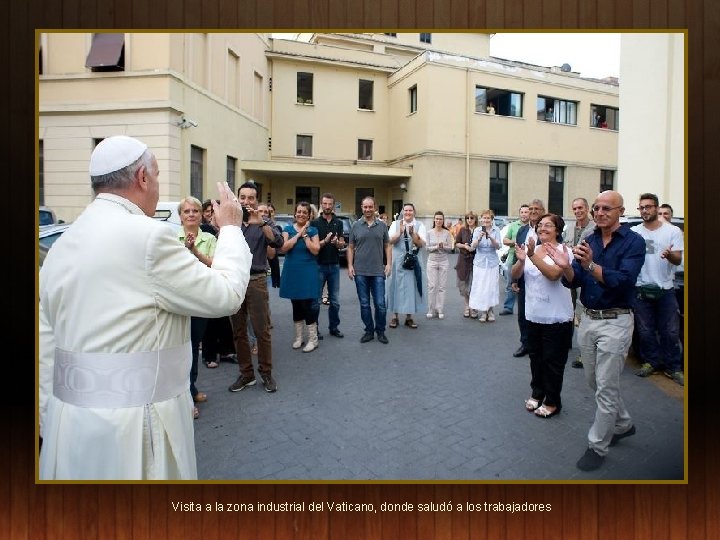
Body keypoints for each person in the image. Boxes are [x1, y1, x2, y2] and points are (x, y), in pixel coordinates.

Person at [39, 135, 251, 480]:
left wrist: (51, 417)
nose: (155, 187)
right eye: (155, 177)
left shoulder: (63, 244)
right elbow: (225, 294)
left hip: (69, 426)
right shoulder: (150, 237)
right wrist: (229, 229)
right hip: (135, 428)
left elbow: (45, 343)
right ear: (142, 178)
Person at [546, 190, 645, 472]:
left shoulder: (634, 242)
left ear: (621, 212)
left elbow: (623, 282)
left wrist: (590, 264)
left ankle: (597, 445)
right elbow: (575, 279)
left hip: (616, 320)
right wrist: (566, 268)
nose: (599, 213)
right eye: (596, 209)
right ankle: (624, 423)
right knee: (595, 382)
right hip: (588, 319)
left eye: (606, 209)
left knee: (606, 386)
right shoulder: (589, 240)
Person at [512, 214, 574, 418]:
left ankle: (553, 400)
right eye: (540, 225)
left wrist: (531, 256)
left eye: (548, 225)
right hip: (533, 315)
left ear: (558, 230)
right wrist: (521, 261)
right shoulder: (532, 250)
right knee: (536, 358)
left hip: (556, 318)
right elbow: (515, 274)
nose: (543, 228)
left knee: (553, 361)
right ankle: (537, 392)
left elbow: (554, 274)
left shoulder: (565, 251)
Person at [228, 181, 284, 394]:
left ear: (256, 200)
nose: (247, 201)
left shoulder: (264, 222)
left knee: (262, 331)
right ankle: (246, 374)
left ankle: (266, 373)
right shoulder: (232, 222)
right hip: (234, 281)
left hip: (256, 280)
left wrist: (261, 223)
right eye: (243, 197)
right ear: (238, 198)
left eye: (251, 198)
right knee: (239, 331)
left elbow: (278, 243)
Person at [631, 193, 685, 385]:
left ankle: (673, 367)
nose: (645, 210)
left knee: (670, 331)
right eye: (642, 207)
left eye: (649, 207)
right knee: (645, 330)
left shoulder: (672, 232)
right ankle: (651, 362)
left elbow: (678, 259)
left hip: (666, 289)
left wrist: (670, 256)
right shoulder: (635, 232)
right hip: (641, 289)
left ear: (656, 207)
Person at [177, 196, 217, 419]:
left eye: (195, 211)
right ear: (180, 216)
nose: (191, 214)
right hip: (178, 301)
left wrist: (194, 251)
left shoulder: (210, 238)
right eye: (186, 211)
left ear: (202, 215)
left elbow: (214, 264)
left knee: (192, 348)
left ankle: (191, 390)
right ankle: (185, 399)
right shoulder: (171, 237)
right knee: (179, 349)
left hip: (199, 299)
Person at [347, 196, 392, 344]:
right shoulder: (356, 226)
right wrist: (350, 266)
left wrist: (389, 264)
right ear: (361, 207)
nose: (367, 209)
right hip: (360, 271)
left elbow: (387, 245)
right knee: (364, 303)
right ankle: (368, 331)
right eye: (365, 207)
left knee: (380, 304)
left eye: (370, 207)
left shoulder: (382, 225)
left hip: (378, 271)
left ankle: (380, 331)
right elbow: (351, 247)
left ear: (375, 207)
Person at [199, 198, 237, 368]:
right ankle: (209, 354)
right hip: (208, 277)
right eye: (210, 211)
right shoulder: (205, 230)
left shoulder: (228, 230)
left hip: (224, 277)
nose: (212, 214)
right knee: (209, 319)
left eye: (215, 211)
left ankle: (227, 351)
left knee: (223, 317)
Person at [279, 202, 322, 353]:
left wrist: (305, 235)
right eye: (299, 212)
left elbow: (315, 250)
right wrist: (298, 234)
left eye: (304, 212)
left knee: (308, 304)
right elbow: (283, 248)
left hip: (308, 271)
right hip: (292, 270)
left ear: (309, 215)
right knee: (296, 303)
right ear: (295, 213)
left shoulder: (313, 230)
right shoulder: (287, 229)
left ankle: (313, 339)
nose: (301, 214)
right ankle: (299, 337)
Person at [564, 197, 596, 369]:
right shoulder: (569, 228)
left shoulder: (595, 228)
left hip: (587, 276)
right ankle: (566, 342)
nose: (577, 211)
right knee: (568, 310)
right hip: (571, 274)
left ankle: (585, 354)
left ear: (587, 208)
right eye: (575, 208)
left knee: (583, 313)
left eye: (580, 208)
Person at [511, 199, 544, 356]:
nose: (532, 211)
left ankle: (540, 344)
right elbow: (516, 255)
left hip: (543, 277)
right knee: (523, 313)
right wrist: (514, 279)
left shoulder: (547, 230)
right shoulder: (522, 231)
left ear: (543, 211)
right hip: (524, 277)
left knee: (540, 310)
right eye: (530, 208)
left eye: (536, 208)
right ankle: (525, 343)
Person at [310, 192, 346, 339]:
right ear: (321, 205)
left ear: (333, 206)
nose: (327, 206)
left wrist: (338, 243)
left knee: (335, 301)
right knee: (316, 301)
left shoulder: (339, 222)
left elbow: (342, 242)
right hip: (318, 265)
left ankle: (334, 327)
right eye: (324, 204)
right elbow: (313, 246)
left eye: (330, 204)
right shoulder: (315, 224)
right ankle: (315, 329)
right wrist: (325, 241)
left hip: (334, 266)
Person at [387, 203, 427, 329]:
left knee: (411, 287)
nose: (408, 213)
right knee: (395, 286)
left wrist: (413, 234)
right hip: (398, 260)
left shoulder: (420, 225)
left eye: (410, 210)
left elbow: (421, 244)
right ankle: (395, 316)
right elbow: (389, 241)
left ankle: (409, 317)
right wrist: (400, 233)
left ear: (414, 212)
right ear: (402, 212)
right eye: (406, 210)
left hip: (413, 260)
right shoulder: (395, 224)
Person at [468, 209, 502, 322]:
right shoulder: (477, 230)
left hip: (492, 261)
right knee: (481, 287)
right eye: (484, 218)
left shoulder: (496, 230)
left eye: (488, 218)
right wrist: (479, 237)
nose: (486, 220)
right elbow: (473, 246)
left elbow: (498, 247)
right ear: (481, 219)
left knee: (491, 286)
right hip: (480, 261)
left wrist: (491, 238)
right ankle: (483, 311)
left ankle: (490, 310)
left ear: (492, 220)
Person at [499, 204, 529, 315]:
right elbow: (505, 240)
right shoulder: (513, 226)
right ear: (519, 213)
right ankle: (508, 307)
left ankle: (527, 309)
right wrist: (515, 242)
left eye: (526, 212)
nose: (524, 214)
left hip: (528, 260)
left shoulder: (533, 227)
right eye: (522, 212)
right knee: (510, 284)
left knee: (526, 284)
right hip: (512, 258)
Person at [425, 211, 453, 319]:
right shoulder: (429, 232)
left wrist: (443, 246)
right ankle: (430, 309)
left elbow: (450, 247)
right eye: (436, 219)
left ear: (443, 220)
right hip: (432, 261)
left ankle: (439, 308)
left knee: (442, 286)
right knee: (432, 286)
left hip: (443, 261)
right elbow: (426, 248)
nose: (438, 221)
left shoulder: (447, 233)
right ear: (434, 220)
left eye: (440, 219)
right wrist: (436, 246)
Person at [454, 212, 478, 317]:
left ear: (475, 219)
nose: (469, 220)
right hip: (464, 260)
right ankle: (467, 306)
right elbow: (456, 243)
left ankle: (473, 307)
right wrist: (464, 246)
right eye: (467, 218)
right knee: (464, 284)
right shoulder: (463, 230)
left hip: (476, 260)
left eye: (471, 218)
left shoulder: (479, 230)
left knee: (474, 285)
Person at [266, 203, 281, 288]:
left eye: (271, 211)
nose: (269, 214)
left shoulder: (276, 227)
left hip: (273, 256)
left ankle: (275, 282)